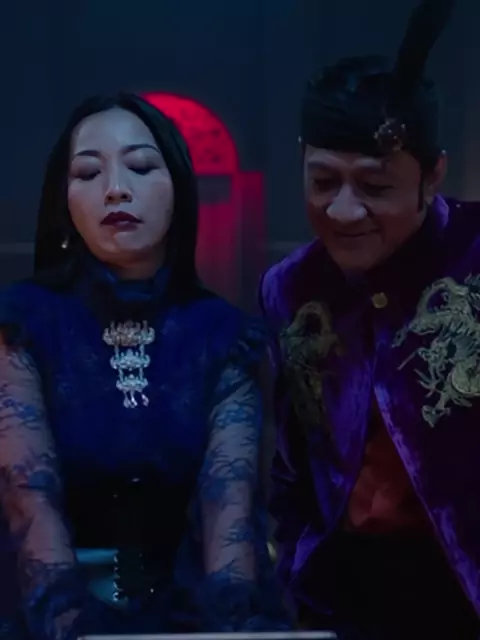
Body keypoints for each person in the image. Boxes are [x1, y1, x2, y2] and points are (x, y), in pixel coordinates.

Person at [0, 93, 288, 640]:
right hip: (43, 616)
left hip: (187, 616)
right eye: (89, 173)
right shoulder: (21, 322)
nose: (115, 188)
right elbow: (28, 498)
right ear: (63, 200)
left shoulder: (225, 336)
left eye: (140, 166)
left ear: (178, 187)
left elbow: (228, 507)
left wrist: (232, 627)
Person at [259, 0, 480, 638]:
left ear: (432, 175)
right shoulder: (290, 287)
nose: (344, 211)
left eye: (376, 187)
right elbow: (292, 470)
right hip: (344, 604)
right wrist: (295, 580)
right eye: (323, 181)